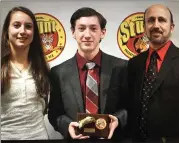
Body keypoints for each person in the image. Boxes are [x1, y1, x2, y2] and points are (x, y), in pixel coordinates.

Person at [48, 7, 128, 140]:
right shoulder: (58, 72)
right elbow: (54, 113)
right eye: (81, 28)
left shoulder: (122, 67)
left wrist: (118, 120)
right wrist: (67, 126)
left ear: (103, 32)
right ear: (73, 32)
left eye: (93, 28)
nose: (87, 34)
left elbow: (130, 107)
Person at [127, 4, 179, 142]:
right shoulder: (134, 63)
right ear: (144, 27)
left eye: (162, 20)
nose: (156, 25)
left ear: (172, 27)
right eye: (150, 20)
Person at [1, 6, 50, 140]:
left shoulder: (43, 68)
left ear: (33, 33)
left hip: (39, 137)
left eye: (28, 26)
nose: (22, 31)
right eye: (16, 25)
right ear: (7, 31)